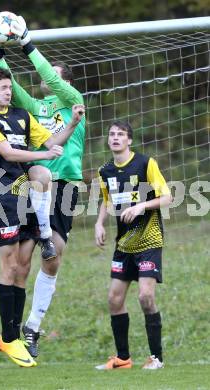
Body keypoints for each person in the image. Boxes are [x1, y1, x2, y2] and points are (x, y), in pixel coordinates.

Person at [0, 15, 86, 358]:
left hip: (66, 184)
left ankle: (34, 325)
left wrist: (27, 43)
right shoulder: (34, 107)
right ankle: (16, 331)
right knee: (25, 261)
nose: (48, 80)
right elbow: (12, 86)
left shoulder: (72, 99)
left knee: (54, 258)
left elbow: (48, 78)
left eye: (55, 76)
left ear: (66, 83)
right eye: (48, 76)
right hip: (34, 182)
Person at [94, 120, 172, 370]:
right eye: (112, 134)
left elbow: (168, 196)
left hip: (149, 240)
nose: (115, 138)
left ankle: (156, 358)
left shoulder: (145, 163)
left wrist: (141, 205)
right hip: (124, 245)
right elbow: (107, 201)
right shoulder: (104, 171)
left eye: (121, 134)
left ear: (129, 140)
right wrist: (99, 224)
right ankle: (123, 358)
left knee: (146, 297)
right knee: (114, 299)